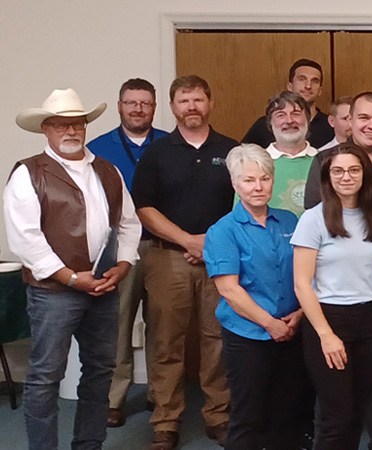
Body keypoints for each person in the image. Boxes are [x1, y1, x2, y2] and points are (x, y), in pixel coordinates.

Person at [8, 88, 141, 450]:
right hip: (54, 294)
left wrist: (124, 265)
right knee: (46, 377)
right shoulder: (28, 173)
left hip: (103, 289)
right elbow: (25, 239)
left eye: (78, 123)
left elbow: (128, 224)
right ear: (46, 130)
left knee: (100, 373)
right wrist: (70, 278)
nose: (71, 131)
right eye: (62, 125)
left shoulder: (107, 170)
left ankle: (89, 445)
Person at [303, 92, 372, 450]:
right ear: (349, 121)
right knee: (336, 404)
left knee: (370, 385)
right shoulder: (320, 178)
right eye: (364, 117)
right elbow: (304, 273)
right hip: (331, 305)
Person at [131, 75, 240, 450]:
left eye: (198, 100)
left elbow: (245, 202)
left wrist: (210, 243)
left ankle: (219, 416)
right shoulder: (157, 152)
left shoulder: (232, 150)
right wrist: (188, 240)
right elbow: (143, 207)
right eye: (183, 101)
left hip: (221, 260)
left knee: (219, 340)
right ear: (173, 107)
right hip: (168, 258)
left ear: (210, 103)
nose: (191, 106)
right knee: (166, 342)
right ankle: (165, 421)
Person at [203, 144, 308, 450]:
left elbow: (307, 275)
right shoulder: (222, 230)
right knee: (248, 416)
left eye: (264, 178)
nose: (258, 186)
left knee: (289, 413)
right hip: (248, 335)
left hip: (292, 330)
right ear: (235, 184)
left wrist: (298, 316)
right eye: (249, 180)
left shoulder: (290, 221)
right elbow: (229, 290)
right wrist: (270, 324)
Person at [293, 144, 372, 450]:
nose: (346, 177)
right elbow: (301, 284)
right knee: (337, 415)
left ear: (365, 175)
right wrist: (326, 335)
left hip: (370, 319)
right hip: (329, 320)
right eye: (337, 171)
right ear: (327, 176)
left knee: (357, 411)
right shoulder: (313, 219)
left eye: (353, 170)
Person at [86, 78, 166, 428]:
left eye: (144, 103)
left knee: (163, 326)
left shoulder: (169, 144)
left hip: (164, 246)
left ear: (154, 107)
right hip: (118, 250)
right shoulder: (97, 148)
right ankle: (113, 399)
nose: (137, 109)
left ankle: (160, 394)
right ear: (120, 106)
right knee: (116, 325)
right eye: (131, 103)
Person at [242, 58, 333, 148]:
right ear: (290, 86)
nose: (308, 86)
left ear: (320, 90)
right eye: (302, 79)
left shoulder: (332, 126)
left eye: (315, 81)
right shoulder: (265, 124)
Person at [259, 91, 318, 216]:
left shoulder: (325, 161)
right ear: (270, 123)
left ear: (307, 120)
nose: (289, 121)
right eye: (281, 115)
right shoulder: (256, 163)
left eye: (296, 114)